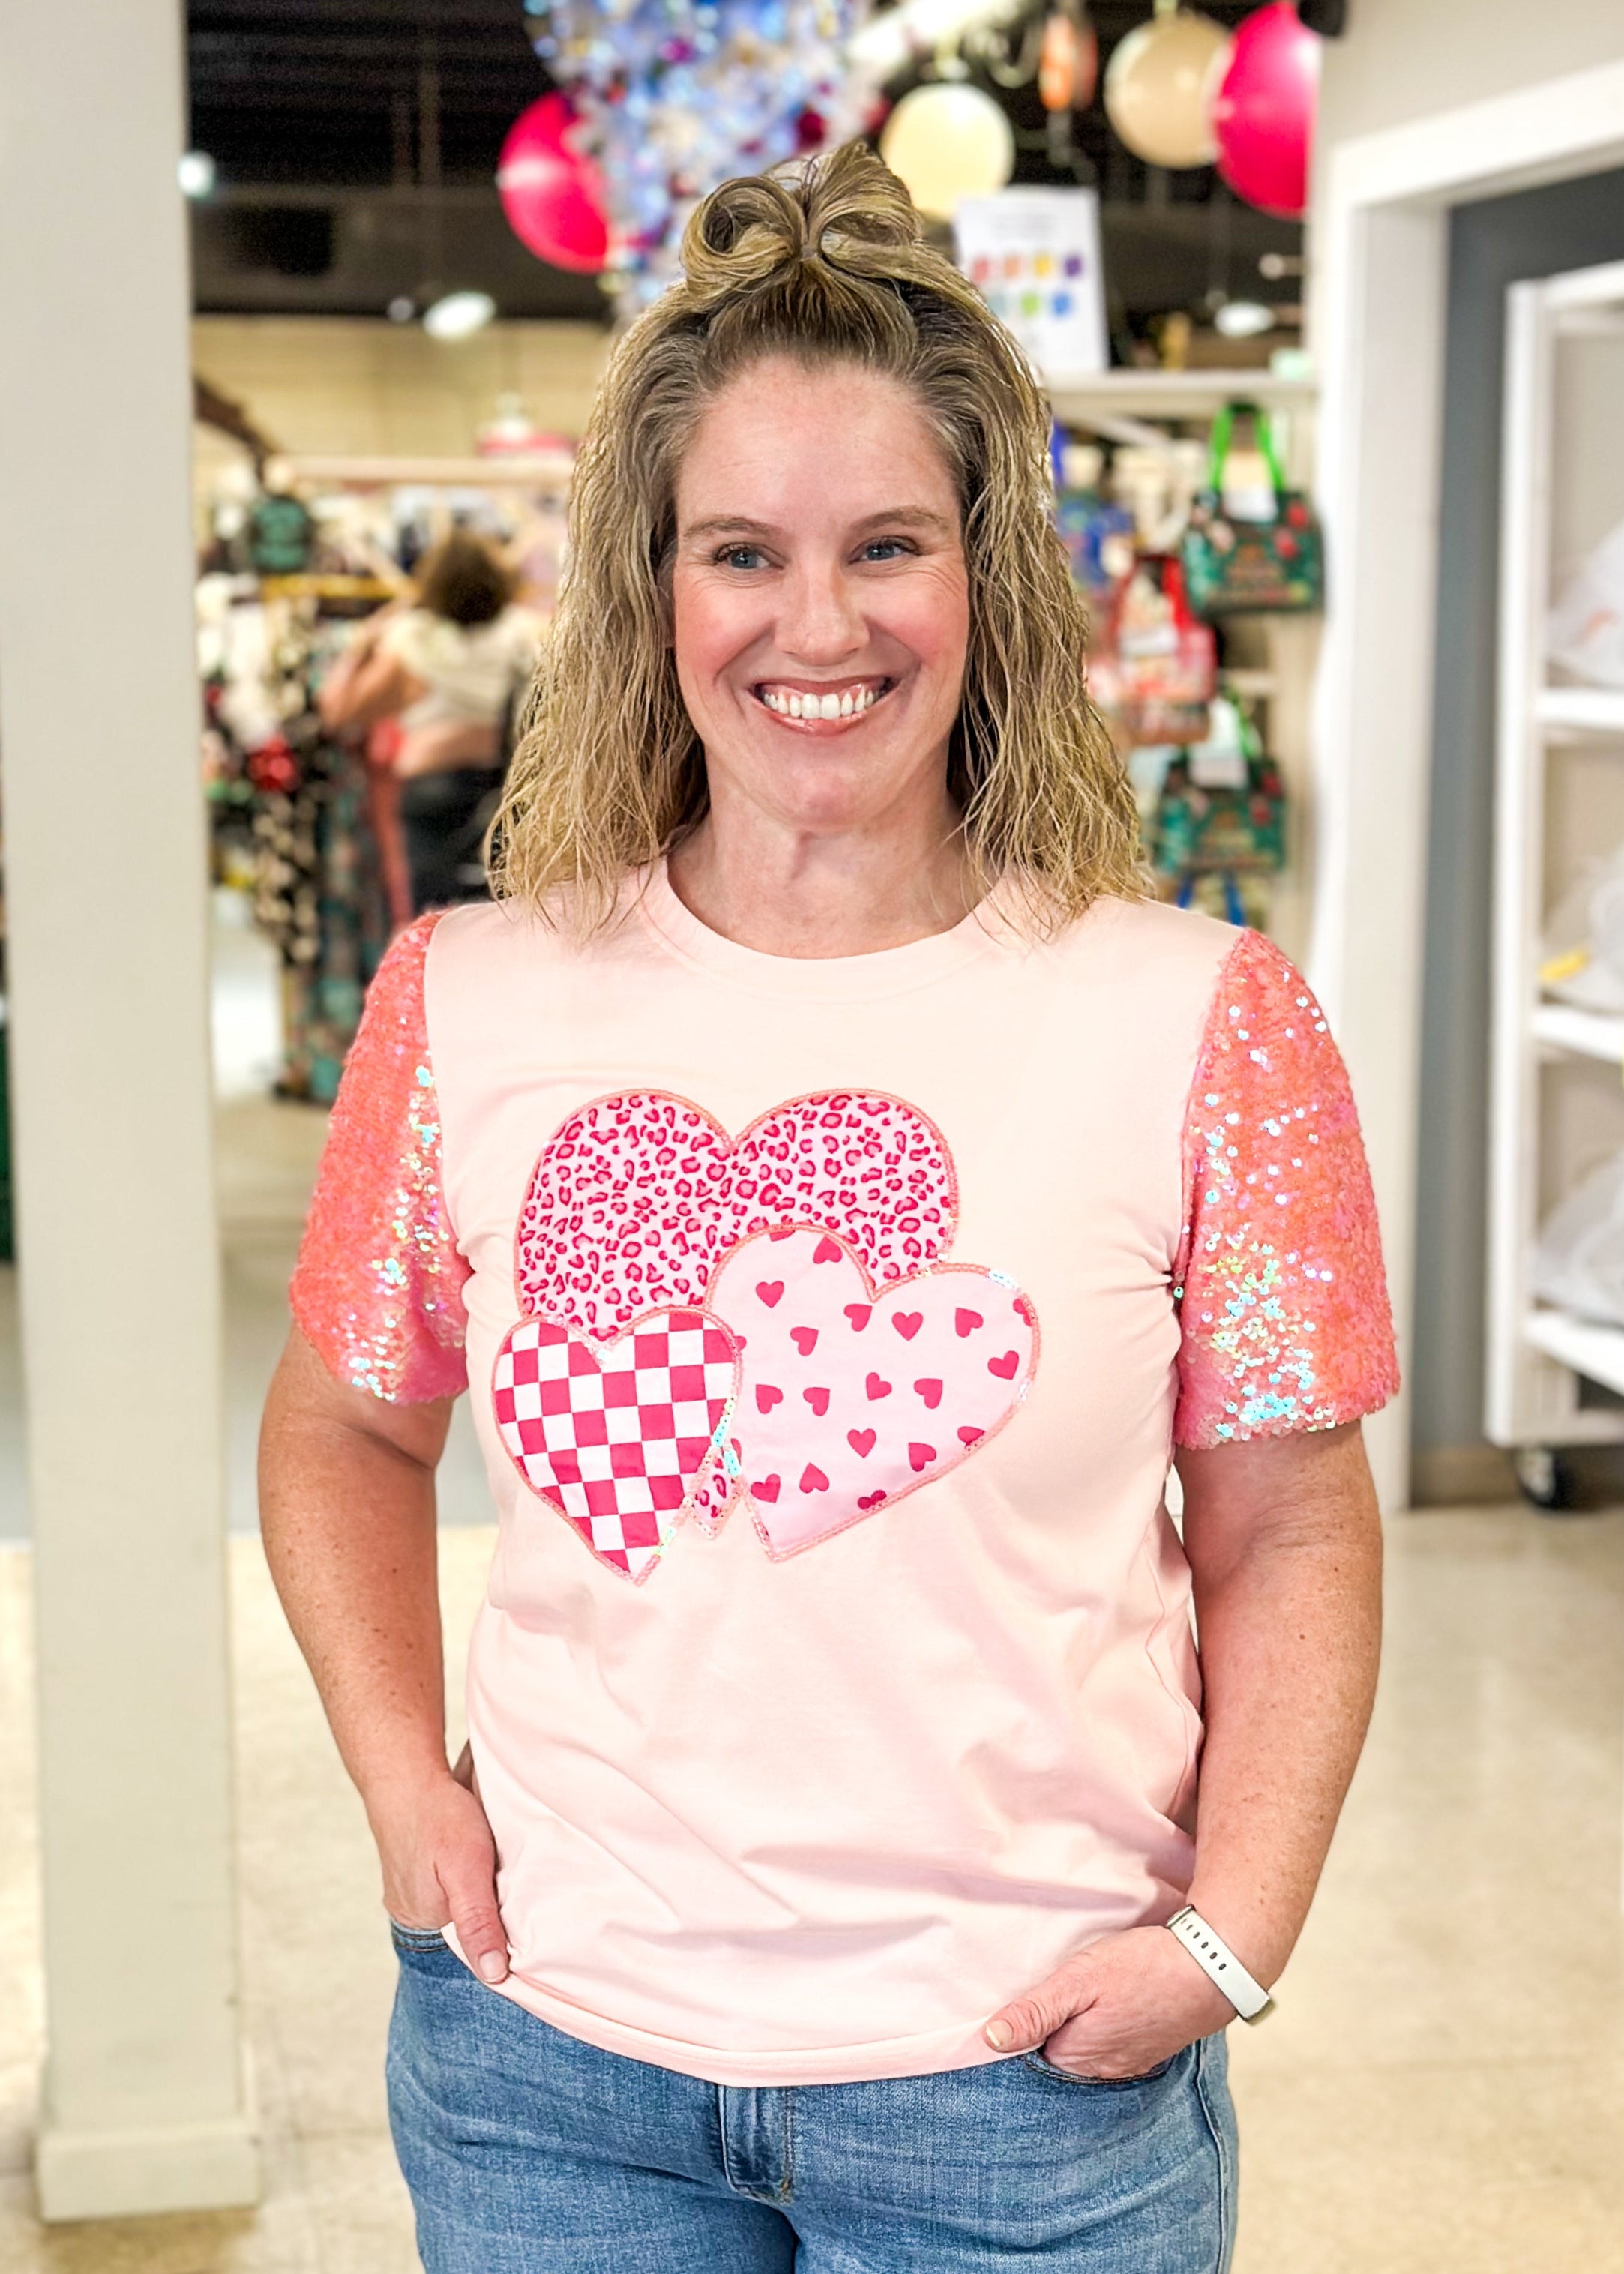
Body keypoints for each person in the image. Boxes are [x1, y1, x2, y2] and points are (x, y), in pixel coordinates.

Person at [261, 144, 1395, 2274]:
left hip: (1022, 2095)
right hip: (549, 2075)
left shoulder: (1197, 1017)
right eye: (738, 552)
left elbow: (1292, 1521)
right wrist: (408, 1796)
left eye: (886, 544)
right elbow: (341, 1421)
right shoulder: (471, 997)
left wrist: (1228, 1939)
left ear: (985, 580)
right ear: (649, 590)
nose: (815, 625)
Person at [316, 529, 541, 912]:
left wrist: (362, 644)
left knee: (435, 924)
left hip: (431, 789)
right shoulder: (522, 633)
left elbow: (338, 710)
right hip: (508, 790)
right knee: (503, 916)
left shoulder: (413, 640)